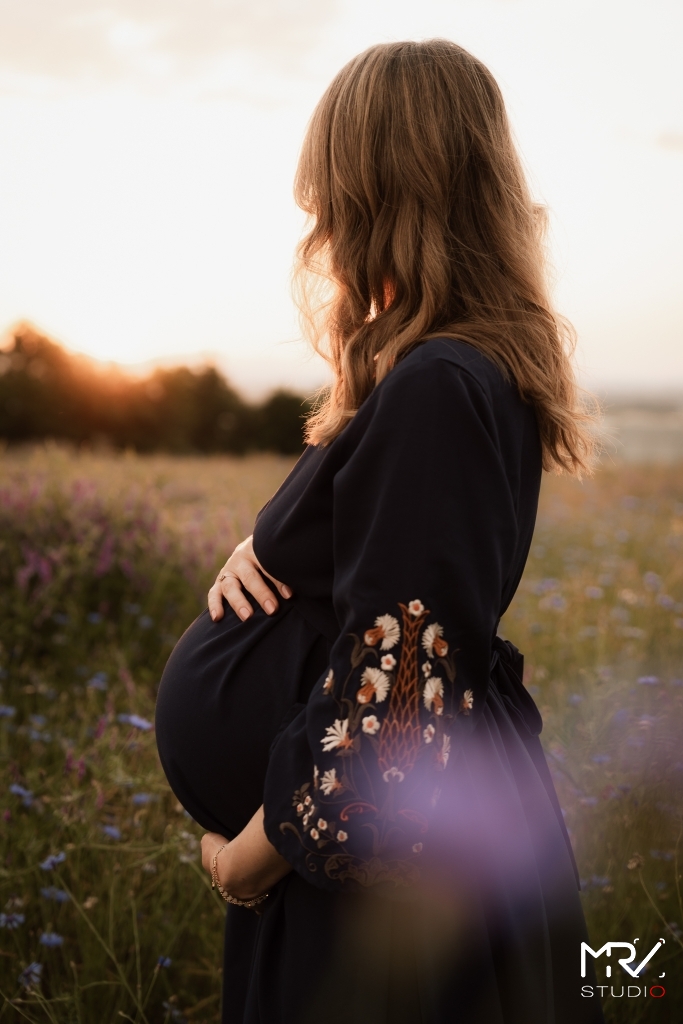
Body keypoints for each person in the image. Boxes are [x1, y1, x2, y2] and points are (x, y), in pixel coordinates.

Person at [155, 39, 604, 1023]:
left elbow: (390, 728)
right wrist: (273, 542)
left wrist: (242, 859)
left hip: (349, 888)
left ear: (378, 191)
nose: (315, 221)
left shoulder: (438, 388)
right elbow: (398, 575)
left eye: (329, 192)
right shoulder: (451, 372)